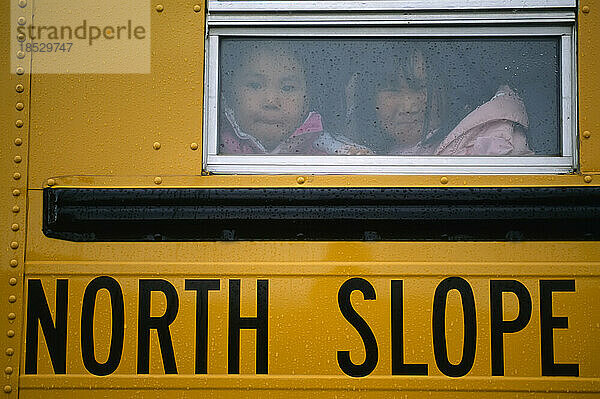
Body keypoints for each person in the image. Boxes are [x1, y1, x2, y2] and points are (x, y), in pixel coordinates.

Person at [344, 46, 533, 156]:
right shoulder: (369, 148)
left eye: (422, 87)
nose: (409, 106)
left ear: (449, 90)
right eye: (392, 90)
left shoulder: (492, 144)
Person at [219, 41, 368, 155]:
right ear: (231, 93)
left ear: (307, 101)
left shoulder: (331, 150)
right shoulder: (211, 145)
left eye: (287, 88)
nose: (271, 101)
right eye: (255, 85)